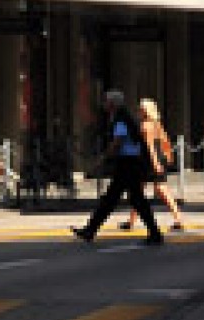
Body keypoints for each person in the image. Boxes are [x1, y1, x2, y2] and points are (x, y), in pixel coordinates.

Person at [70, 90, 165, 245]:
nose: (104, 104)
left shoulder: (121, 119)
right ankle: (90, 230)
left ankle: (154, 233)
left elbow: (118, 141)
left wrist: (104, 157)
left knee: (125, 199)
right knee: (122, 199)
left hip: (128, 163)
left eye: (106, 101)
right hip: (130, 163)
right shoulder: (124, 117)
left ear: (113, 104)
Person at [123, 99, 186, 233]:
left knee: (148, 190)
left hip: (149, 159)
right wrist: (168, 155)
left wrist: (155, 162)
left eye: (141, 109)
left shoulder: (145, 125)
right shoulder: (157, 124)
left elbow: (150, 146)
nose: (139, 111)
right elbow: (165, 140)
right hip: (158, 157)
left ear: (145, 111)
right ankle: (131, 221)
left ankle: (177, 219)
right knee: (157, 189)